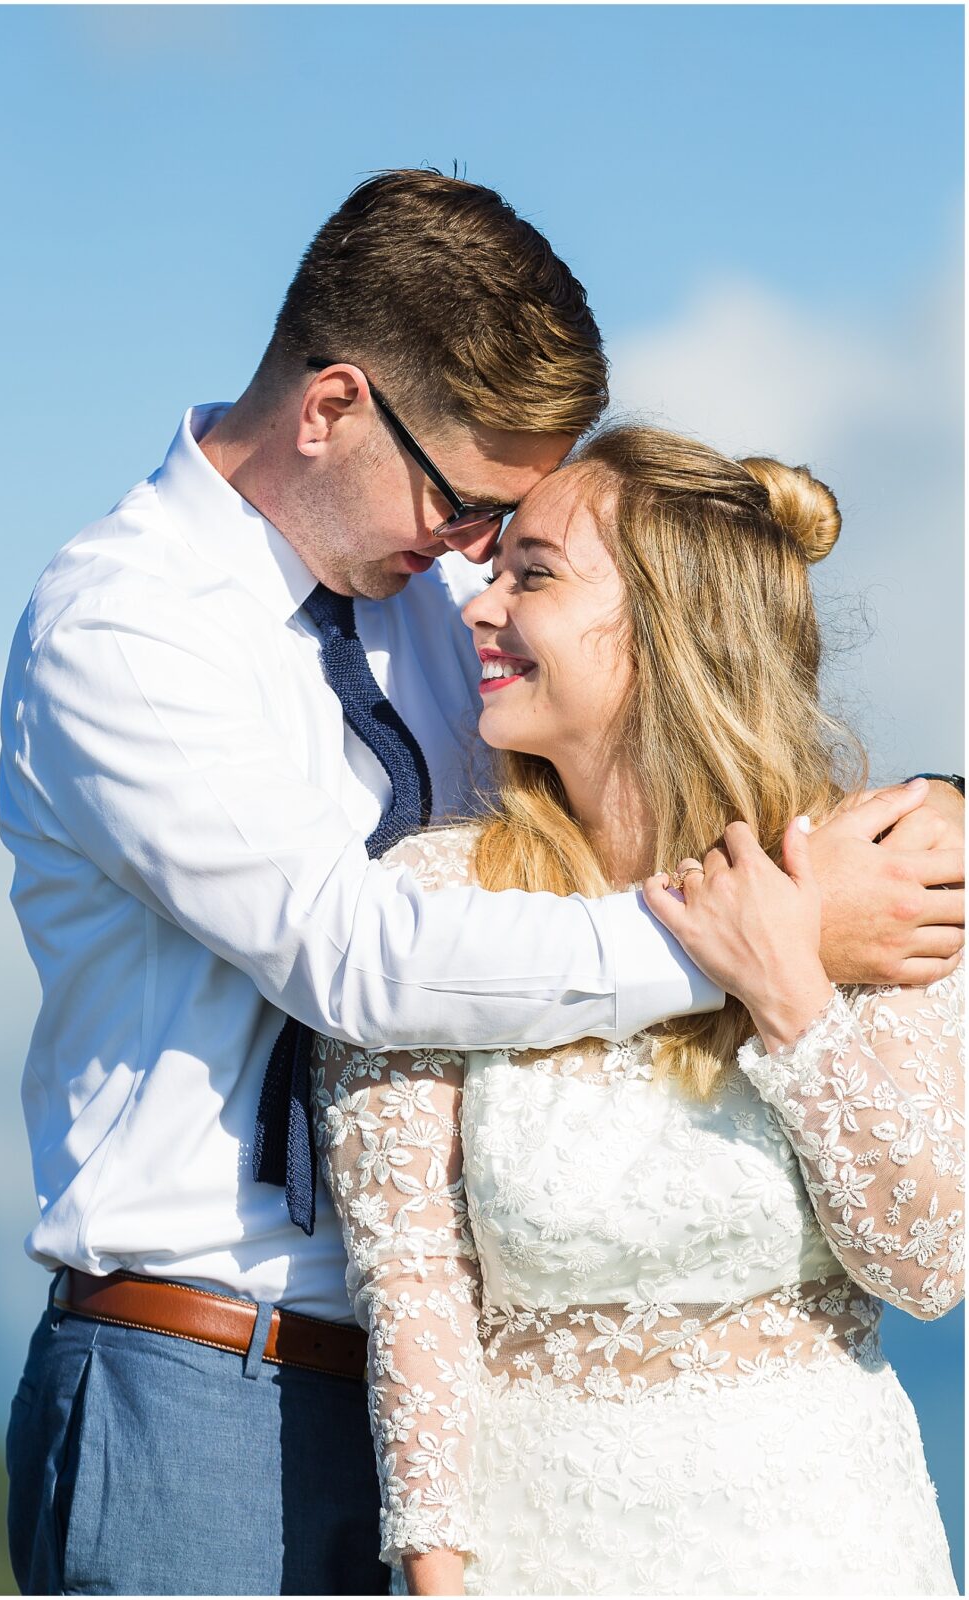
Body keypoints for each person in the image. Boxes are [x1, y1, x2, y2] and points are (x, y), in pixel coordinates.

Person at [0, 171, 962, 1598]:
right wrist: (763, 937)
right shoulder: (123, 630)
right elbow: (364, 958)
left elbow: (661, 696)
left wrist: (923, 817)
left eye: (509, 536)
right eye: (466, 505)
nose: (475, 565)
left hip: (478, 1411)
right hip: (200, 1374)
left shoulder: (431, 608)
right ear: (330, 407)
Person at [312, 427, 964, 1597]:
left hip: (828, 1546)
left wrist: (788, 984)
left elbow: (925, 1263)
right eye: (491, 568)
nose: (478, 604)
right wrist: (435, 1571)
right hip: (539, 1557)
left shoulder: (876, 881)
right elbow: (411, 1282)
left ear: (669, 619)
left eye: (534, 573)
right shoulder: (433, 904)